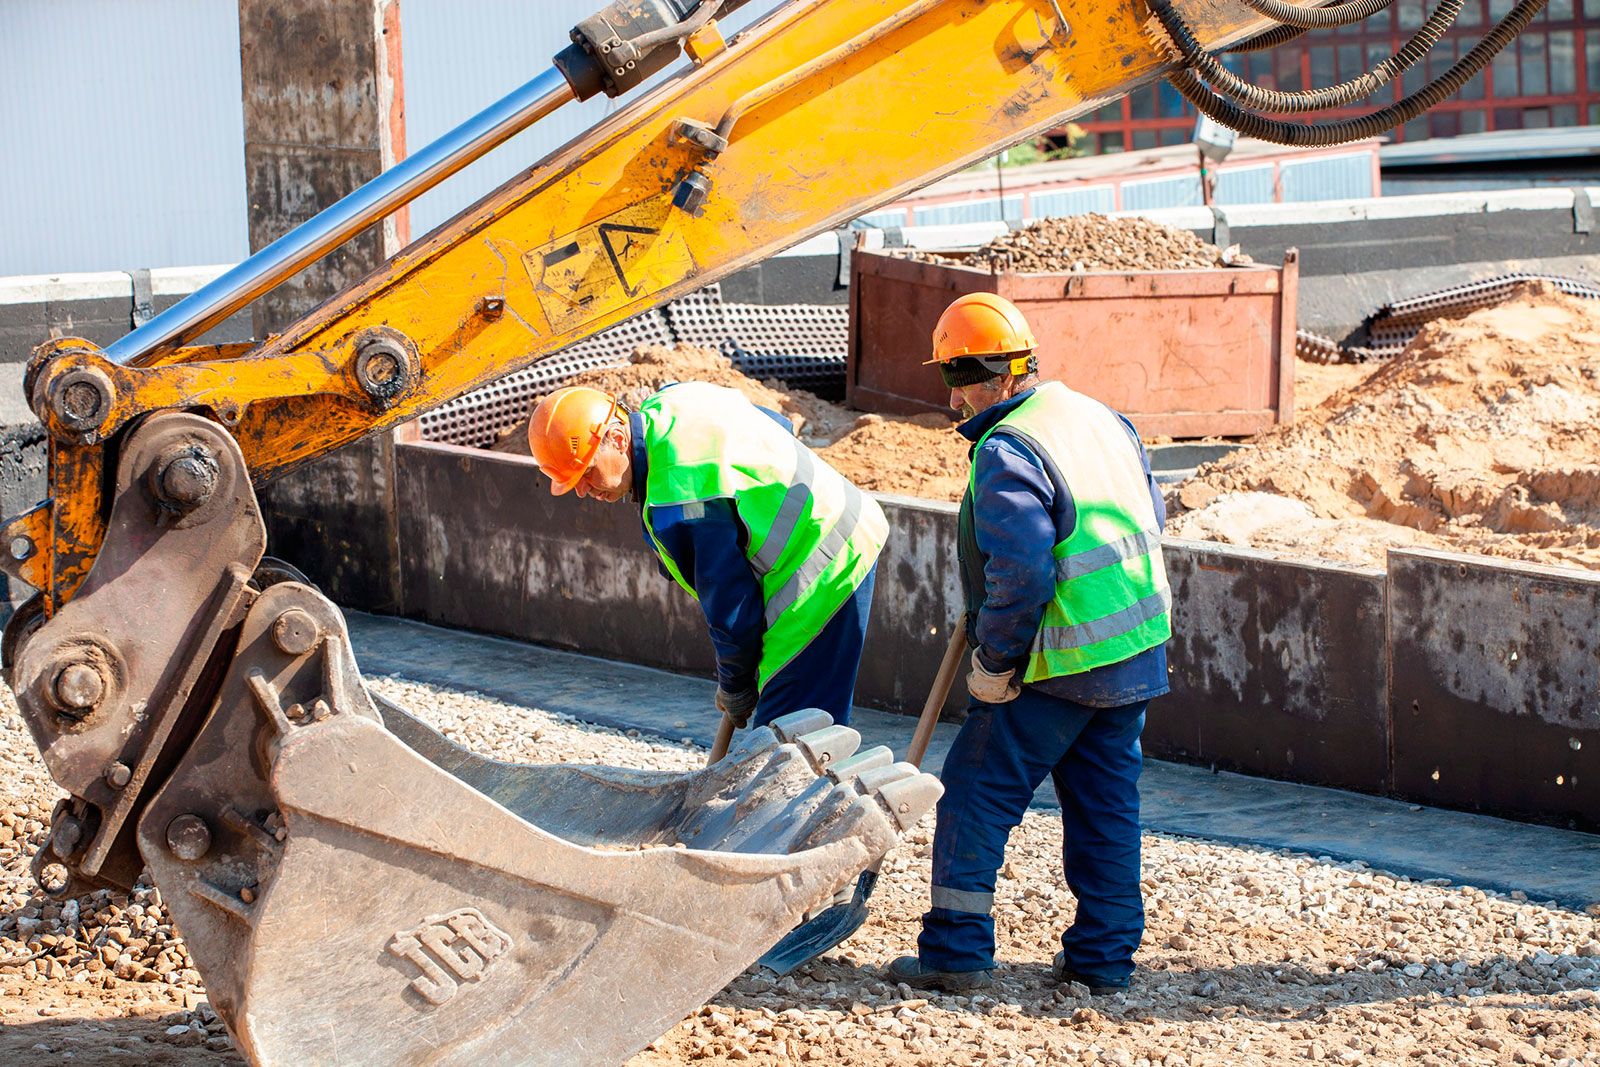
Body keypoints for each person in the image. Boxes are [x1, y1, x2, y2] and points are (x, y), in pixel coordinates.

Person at [887, 293, 1172, 995]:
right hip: (1134, 649)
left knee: (974, 794)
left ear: (1002, 375)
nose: (954, 397)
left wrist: (996, 661)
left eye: (961, 378)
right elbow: (1149, 512)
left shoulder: (1008, 448)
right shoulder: (1099, 417)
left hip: (1060, 659)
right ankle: (1103, 960)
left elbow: (1021, 573)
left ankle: (954, 953)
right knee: (1106, 806)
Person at [525, 381, 887, 730]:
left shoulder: (680, 499)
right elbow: (775, 423)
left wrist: (735, 684)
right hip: (844, 520)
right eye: (573, 483)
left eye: (587, 473)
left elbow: (730, 603)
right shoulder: (672, 401)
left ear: (618, 439)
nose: (584, 491)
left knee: (789, 740)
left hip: (821, 569)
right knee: (800, 730)